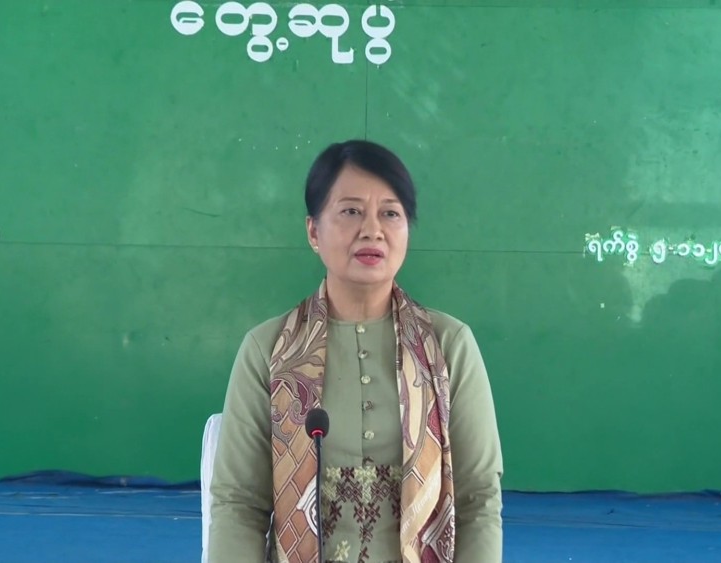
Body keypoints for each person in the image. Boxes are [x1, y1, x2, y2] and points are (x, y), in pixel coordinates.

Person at [208, 140, 503, 563]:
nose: (372, 230)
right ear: (313, 231)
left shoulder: (449, 346)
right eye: (350, 211)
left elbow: (479, 500)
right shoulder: (267, 351)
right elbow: (239, 505)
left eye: (391, 213)